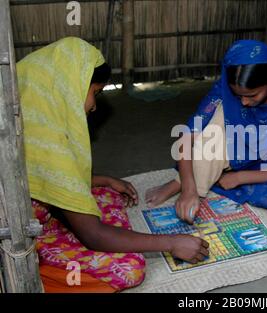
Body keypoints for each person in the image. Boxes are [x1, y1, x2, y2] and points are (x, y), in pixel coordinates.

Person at [18, 37, 209, 292]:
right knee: (129, 268)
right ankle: (42, 277)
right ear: (68, 87)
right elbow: (93, 236)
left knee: (105, 193)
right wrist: (172, 242)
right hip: (27, 237)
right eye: (95, 93)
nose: (94, 106)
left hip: (40, 212)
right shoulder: (42, 134)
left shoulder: (32, 111)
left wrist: (104, 179)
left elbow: (45, 180)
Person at [145, 40, 267, 224]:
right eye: (238, 95)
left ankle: (200, 177)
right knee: (214, 123)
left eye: (252, 95)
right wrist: (188, 188)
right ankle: (185, 182)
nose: (244, 102)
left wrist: (239, 177)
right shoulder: (228, 87)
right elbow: (188, 135)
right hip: (238, 148)